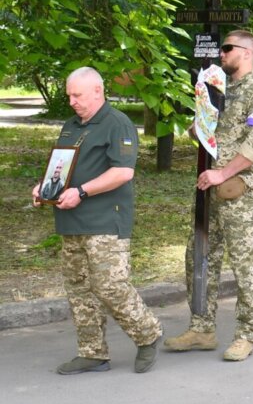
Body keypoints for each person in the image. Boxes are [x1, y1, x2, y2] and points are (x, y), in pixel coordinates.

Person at [32, 67, 162, 374]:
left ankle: (148, 334)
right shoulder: (71, 126)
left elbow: (123, 172)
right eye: (69, 95)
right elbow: (62, 168)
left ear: (98, 91)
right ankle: (92, 353)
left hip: (105, 220)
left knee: (110, 285)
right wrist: (44, 188)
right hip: (71, 220)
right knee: (79, 289)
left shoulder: (117, 123)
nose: (72, 101)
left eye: (77, 95)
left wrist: (82, 192)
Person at [165, 30, 253, 362]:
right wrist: (199, 125)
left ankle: (246, 334)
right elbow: (207, 133)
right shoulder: (218, 90)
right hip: (209, 190)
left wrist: (223, 173)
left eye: (227, 48)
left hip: (239, 191)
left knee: (245, 264)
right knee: (199, 256)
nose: (222, 53)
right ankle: (202, 328)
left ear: (247, 53)